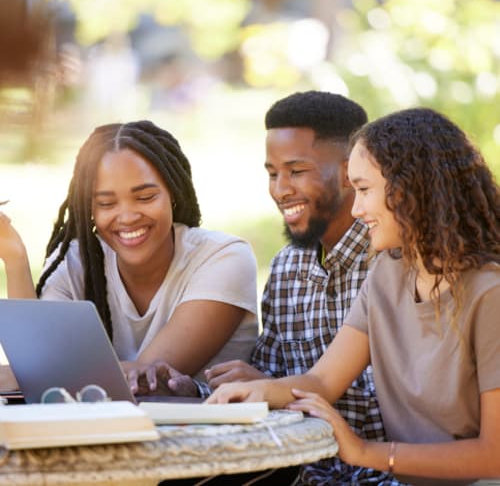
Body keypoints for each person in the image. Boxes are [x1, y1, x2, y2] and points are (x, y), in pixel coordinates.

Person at [207, 107, 500, 486]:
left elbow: (493, 456)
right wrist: (258, 392)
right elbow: (324, 381)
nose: (357, 208)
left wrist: (366, 452)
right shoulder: (388, 273)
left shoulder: (489, 294)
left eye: (363, 190)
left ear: (411, 188)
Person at [165, 91, 402, 484]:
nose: (280, 189)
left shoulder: (394, 262)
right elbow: (268, 379)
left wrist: (275, 389)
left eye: (296, 170)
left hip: (385, 472)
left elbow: (389, 402)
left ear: (349, 172)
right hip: (300, 471)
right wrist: (192, 390)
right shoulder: (286, 268)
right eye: (272, 174)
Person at [0, 119, 259, 393]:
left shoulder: (224, 258)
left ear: (172, 192)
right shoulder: (74, 262)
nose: (127, 217)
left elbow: (147, 377)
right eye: (106, 203)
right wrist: (14, 258)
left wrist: (28, 375)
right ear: (89, 208)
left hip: (213, 433)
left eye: (145, 197)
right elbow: (37, 359)